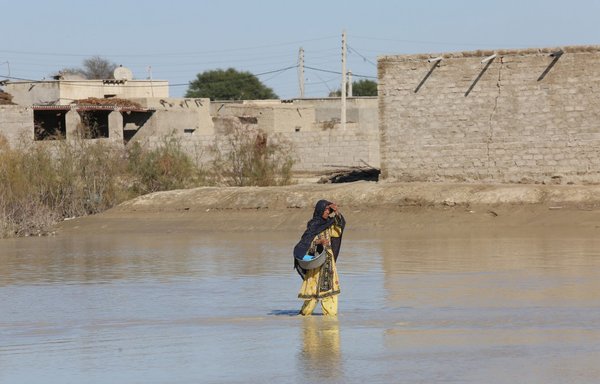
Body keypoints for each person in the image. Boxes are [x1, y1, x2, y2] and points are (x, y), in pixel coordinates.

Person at [293, 199, 346, 316]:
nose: (328, 212)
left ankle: (331, 318)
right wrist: (319, 241)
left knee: (330, 291)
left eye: (329, 209)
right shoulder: (313, 224)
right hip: (316, 261)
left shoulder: (329, 223)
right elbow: (306, 241)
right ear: (320, 210)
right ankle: (304, 315)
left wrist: (337, 212)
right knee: (312, 290)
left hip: (328, 261)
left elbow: (338, 230)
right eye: (326, 209)